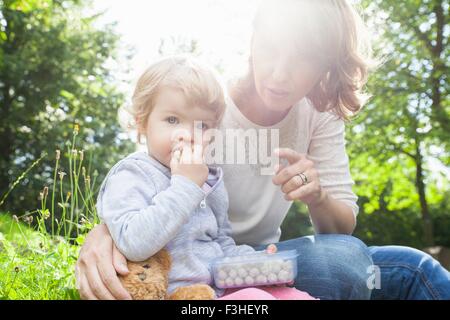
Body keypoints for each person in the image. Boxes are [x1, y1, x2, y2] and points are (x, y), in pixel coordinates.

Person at [75, 0, 450, 300]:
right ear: (252, 38)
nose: (279, 73)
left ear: (325, 66)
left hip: (251, 259)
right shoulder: (207, 101)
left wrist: (317, 196)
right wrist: (108, 232)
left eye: (303, 58)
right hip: (191, 266)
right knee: (347, 265)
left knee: (415, 268)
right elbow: (147, 172)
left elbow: (342, 229)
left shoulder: (318, 116)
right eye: (270, 49)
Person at [92, 55, 316, 300]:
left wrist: (255, 260)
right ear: (142, 122)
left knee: (296, 297)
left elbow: (220, 244)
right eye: (172, 120)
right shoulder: (133, 174)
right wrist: (185, 185)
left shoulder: (210, 179)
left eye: (202, 126)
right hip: (171, 294)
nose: (188, 134)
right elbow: (132, 243)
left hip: (216, 289)